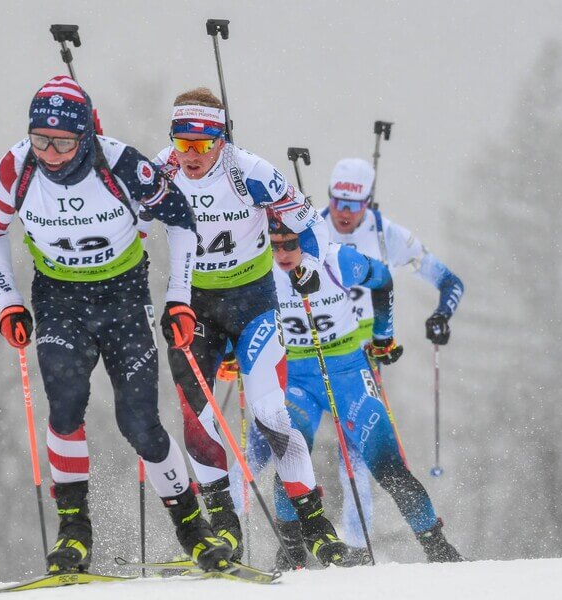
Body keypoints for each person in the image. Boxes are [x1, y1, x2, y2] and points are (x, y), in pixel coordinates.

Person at [0, 76, 231, 573]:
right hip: (59, 298)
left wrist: (179, 299)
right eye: (40, 139)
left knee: (139, 423)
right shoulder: (13, 169)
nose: (50, 153)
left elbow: (180, 222)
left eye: (63, 141)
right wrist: (7, 300)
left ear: (85, 137)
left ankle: (193, 530)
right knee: (65, 407)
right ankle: (73, 532)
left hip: (121, 297)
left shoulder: (122, 165)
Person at [151, 87, 349, 567]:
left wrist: (309, 267)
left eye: (202, 144)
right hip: (193, 303)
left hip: (252, 301)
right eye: (182, 142)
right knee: (196, 419)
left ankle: (316, 525)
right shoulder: (160, 171)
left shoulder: (252, 173)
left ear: (222, 138)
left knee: (270, 414)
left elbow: (309, 223)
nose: (191, 155)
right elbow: (125, 223)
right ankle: (225, 528)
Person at [236, 214, 463, 569]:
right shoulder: (258, 266)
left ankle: (439, 549)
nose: (282, 253)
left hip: (347, 372)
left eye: (291, 244)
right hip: (295, 377)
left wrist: (383, 336)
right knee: (290, 453)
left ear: (308, 240)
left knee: (388, 466)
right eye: (275, 244)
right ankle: (292, 554)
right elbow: (236, 311)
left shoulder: (338, 260)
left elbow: (384, 280)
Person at [321, 157, 465, 553]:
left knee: (355, 452)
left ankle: (356, 547)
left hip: (363, 353)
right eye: (337, 201)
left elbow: (450, 281)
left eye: (354, 205)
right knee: (280, 443)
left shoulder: (388, 236)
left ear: (368, 201)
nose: (343, 213)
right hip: (311, 351)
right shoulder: (311, 229)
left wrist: (441, 315)